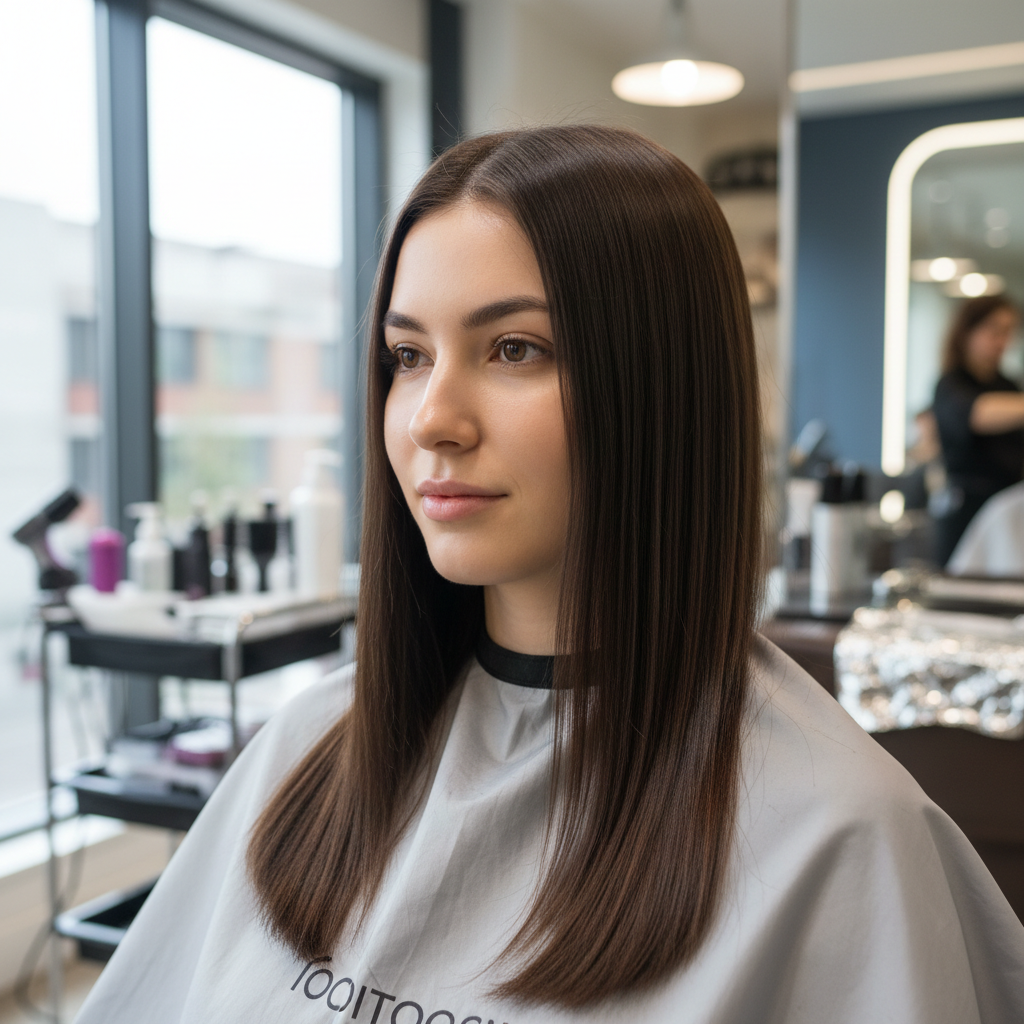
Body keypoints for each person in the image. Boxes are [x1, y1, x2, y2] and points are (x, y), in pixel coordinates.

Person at [76, 126, 1024, 1024]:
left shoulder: (837, 833)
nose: (429, 420)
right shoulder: (309, 748)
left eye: (515, 349)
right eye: (407, 356)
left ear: (662, 386)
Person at [932, 294, 1024, 566]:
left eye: (1009, 332)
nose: (1002, 341)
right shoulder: (951, 385)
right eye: (995, 330)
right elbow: (977, 414)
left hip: (1009, 510)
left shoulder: (1008, 386)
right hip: (965, 510)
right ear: (967, 331)